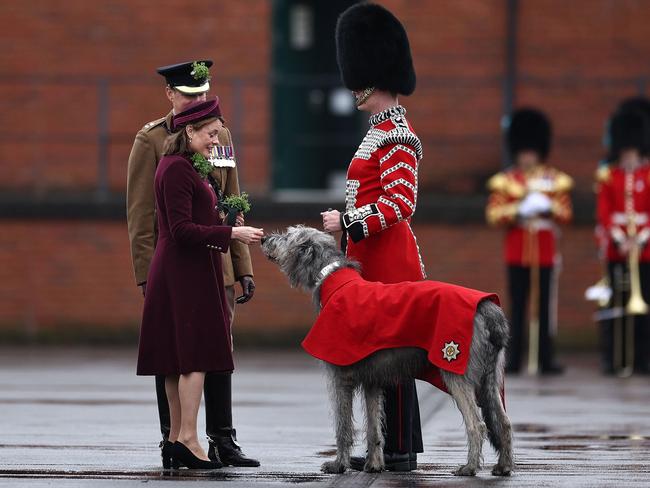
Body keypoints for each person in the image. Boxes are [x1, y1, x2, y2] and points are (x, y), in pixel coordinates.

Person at [126, 60, 260, 467]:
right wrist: (147, 274)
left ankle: (222, 438)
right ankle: (175, 439)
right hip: (178, 264)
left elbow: (230, 202)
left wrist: (243, 267)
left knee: (217, 351)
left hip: (215, 263)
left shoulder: (220, 133)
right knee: (174, 352)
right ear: (170, 95)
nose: (198, 101)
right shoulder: (152, 140)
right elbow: (141, 212)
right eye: (189, 95)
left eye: (203, 94)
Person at [321, 3, 424, 472]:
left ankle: (400, 446)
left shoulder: (397, 134)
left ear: (378, 79)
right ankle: (387, 443)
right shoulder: (377, 131)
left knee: (395, 352)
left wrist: (350, 223)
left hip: (389, 260)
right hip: (368, 257)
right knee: (374, 350)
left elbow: (402, 204)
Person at [486, 108, 572, 375]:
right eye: (524, 152)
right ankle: (514, 358)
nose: (527, 157)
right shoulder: (507, 181)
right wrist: (518, 210)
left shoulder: (554, 180)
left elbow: (565, 213)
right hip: (517, 251)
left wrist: (548, 208)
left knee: (545, 307)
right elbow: (494, 214)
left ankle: (545, 357)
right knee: (518, 304)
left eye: (531, 152)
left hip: (544, 253)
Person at [595, 105, 650, 375]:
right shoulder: (609, 176)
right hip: (617, 251)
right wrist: (620, 239)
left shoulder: (648, 175)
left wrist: (640, 238)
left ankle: (642, 359)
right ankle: (614, 358)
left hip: (644, 250)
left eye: (632, 151)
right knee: (614, 306)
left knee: (644, 306)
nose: (628, 156)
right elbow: (604, 213)